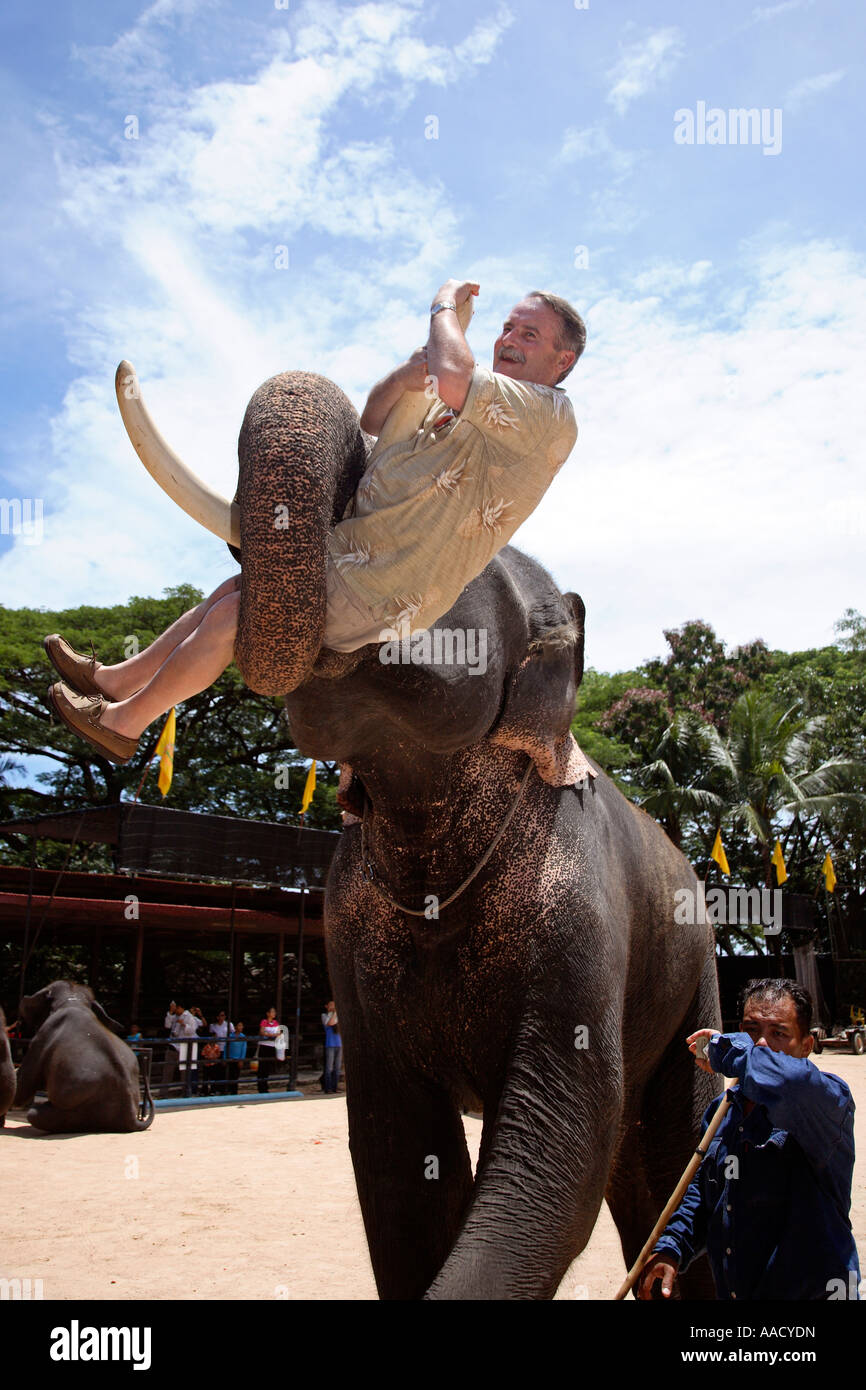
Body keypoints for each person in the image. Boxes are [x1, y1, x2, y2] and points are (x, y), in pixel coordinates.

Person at [42, 280, 594, 783]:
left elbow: (451, 374)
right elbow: (373, 423)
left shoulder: (547, 415)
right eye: (507, 327)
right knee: (234, 593)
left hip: (386, 585)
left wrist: (443, 306)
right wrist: (407, 376)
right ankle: (117, 679)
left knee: (242, 613)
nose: (510, 338)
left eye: (530, 333)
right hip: (347, 550)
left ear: (562, 359)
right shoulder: (460, 404)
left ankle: (124, 722)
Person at [636, 978, 860, 1302]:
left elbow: (790, 1080)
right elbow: (704, 1192)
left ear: (807, 1046)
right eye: (751, 1030)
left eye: (778, 1033)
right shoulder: (721, 1112)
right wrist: (672, 1248)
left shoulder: (825, 1102)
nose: (761, 1045)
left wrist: (731, 1050)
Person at [256, 1007, 280, 1094]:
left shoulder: (275, 1022)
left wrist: (270, 1034)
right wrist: (271, 1035)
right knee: (262, 1067)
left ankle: (265, 1087)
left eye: (274, 1011)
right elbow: (262, 1032)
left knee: (267, 1067)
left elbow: (278, 1033)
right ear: (268, 1013)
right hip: (264, 1046)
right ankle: (261, 1087)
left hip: (271, 1046)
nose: (274, 1013)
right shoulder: (264, 1021)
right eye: (272, 1011)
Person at [321, 1000, 342, 1095]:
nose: (333, 1006)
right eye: (331, 1005)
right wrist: (335, 1013)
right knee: (329, 1067)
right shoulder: (324, 1016)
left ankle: (335, 1087)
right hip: (330, 1044)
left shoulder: (338, 1016)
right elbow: (330, 1023)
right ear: (327, 1006)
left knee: (337, 1067)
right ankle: (328, 1088)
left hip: (339, 1043)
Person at [225, 1021, 247, 1095]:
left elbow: (244, 1049)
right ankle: (228, 1090)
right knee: (229, 1075)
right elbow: (226, 1047)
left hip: (238, 1059)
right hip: (230, 1058)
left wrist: (241, 1060)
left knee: (236, 1076)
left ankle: (234, 1091)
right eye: (239, 1025)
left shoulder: (243, 1036)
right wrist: (225, 1058)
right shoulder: (231, 1036)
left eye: (242, 1026)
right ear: (235, 1027)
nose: (241, 1027)